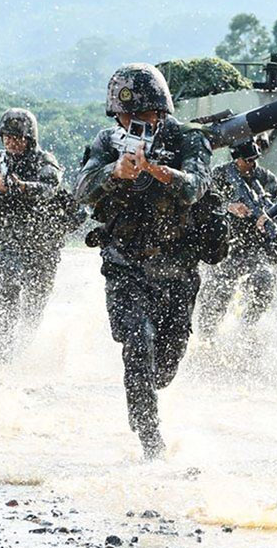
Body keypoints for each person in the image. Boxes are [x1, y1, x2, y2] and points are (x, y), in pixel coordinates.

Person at [74, 63, 215, 459]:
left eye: (143, 116)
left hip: (177, 268)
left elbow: (195, 189)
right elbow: (82, 190)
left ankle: (145, 397)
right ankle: (150, 439)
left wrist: (156, 169)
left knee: (165, 364)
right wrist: (114, 171)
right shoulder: (107, 141)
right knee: (138, 343)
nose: (134, 124)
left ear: (161, 112)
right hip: (125, 263)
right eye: (125, 117)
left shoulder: (188, 138)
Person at [0, 109, 67, 362]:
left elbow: (51, 187)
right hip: (13, 240)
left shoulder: (44, 160)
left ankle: (24, 346)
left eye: (16, 137)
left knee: (35, 301)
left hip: (44, 242)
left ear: (29, 138)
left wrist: (23, 187)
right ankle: (4, 343)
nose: (11, 142)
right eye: (6, 137)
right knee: (8, 284)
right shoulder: (0, 161)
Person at [198, 135, 277, 335]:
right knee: (218, 293)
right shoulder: (219, 175)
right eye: (247, 160)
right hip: (226, 244)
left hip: (255, 245)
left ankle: (247, 328)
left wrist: (268, 217)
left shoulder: (266, 178)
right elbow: (201, 202)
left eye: (255, 159)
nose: (252, 164)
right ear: (236, 158)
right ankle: (207, 336)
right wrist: (229, 207)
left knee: (265, 281)